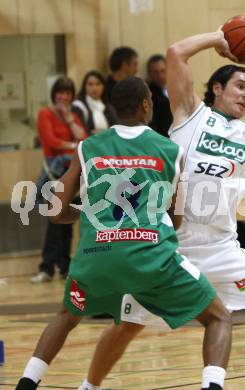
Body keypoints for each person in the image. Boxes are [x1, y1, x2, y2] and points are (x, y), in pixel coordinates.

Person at [77, 28, 245, 390]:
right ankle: (89, 385)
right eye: (239, 86)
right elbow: (175, 52)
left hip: (222, 247)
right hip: (173, 246)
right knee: (127, 326)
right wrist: (218, 37)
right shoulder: (190, 114)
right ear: (217, 89)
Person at [16, 76, 233, 390]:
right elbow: (176, 220)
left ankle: (27, 382)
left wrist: (88, 213)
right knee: (218, 318)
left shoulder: (87, 148)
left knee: (66, 315)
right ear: (146, 105)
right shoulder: (171, 151)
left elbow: (54, 211)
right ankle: (212, 386)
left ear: (113, 109)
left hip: (97, 259)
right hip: (151, 259)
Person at [31, 77, 87, 283]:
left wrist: (69, 119)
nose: (63, 96)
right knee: (54, 221)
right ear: (54, 94)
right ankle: (46, 268)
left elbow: (85, 139)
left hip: (73, 173)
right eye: (60, 92)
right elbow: (51, 142)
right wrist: (74, 146)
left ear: (72, 96)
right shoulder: (45, 113)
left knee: (68, 220)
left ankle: (65, 267)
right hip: (54, 174)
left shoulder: (73, 116)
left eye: (67, 93)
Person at [72, 70, 117, 136]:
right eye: (90, 84)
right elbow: (83, 132)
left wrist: (103, 133)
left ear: (103, 86)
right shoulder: (78, 106)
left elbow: (116, 129)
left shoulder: (108, 107)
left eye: (98, 84)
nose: (94, 88)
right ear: (84, 87)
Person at [147, 54, 173, 136]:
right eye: (155, 72)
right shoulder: (148, 94)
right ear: (149, 73)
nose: (160, 76)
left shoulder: (177, 87)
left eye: (163, 71)